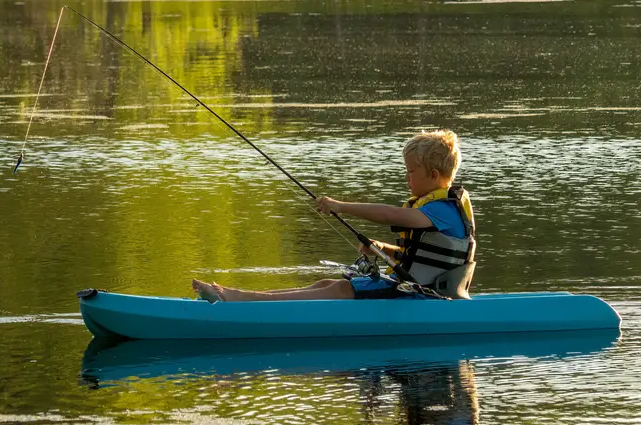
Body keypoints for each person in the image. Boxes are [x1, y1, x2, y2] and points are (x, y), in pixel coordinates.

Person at [191, 129, 476, 302]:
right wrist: (382, 249)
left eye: (411, 172)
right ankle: (245, 299)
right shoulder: (434, 210)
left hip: (426, 297)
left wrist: (340, 205)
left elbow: (392, 214)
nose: (406, 178)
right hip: (416, 290)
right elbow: (419, 256)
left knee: (340, 288)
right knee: (327, 285)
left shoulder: (443, 211)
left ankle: (237, 300)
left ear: (434, 175)